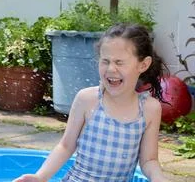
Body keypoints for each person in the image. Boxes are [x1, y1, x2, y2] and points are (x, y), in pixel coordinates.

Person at [13, 23, 168, 182]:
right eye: (105, 61)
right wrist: (40, 176)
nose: (111, 69)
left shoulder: (149, 109)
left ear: (143, 64)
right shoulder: (88, 100)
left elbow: (149, 160)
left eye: (119, 62)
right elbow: (66, 146)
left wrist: (159, 178)